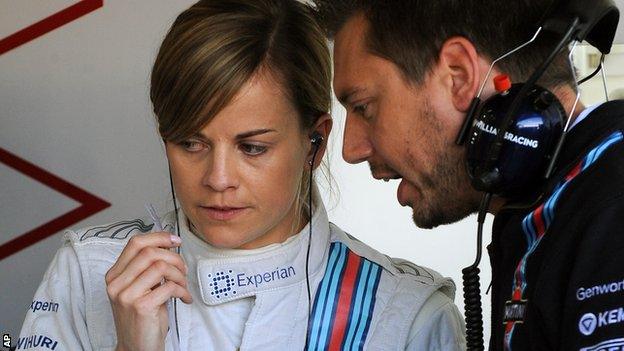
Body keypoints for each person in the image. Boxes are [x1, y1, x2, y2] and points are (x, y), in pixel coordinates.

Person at [17, 0, 467, 350]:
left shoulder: (408, 315)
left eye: (253, 148)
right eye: (191, 143)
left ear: (317, 142)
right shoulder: (89, 269)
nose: (217, 179)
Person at [312, 0, 624, 350]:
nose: (350, 150)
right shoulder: (552, 209)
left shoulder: (610, 210)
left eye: (363, 107)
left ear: (459, 76)